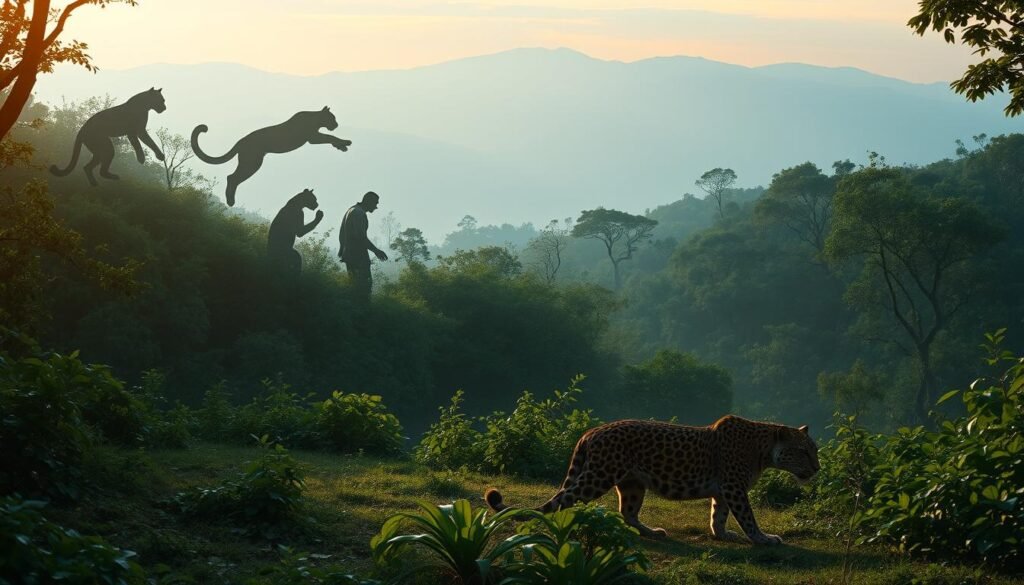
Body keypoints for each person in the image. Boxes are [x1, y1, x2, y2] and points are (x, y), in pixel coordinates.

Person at [339, 191, 388, 298]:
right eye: (375, 203)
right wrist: (376, 250)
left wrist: (342, 249)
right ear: (368, 201)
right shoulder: (359, 213)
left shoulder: (351, 210)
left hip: (350, 255)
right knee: (363, 288)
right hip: (358, 256)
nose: (376, 207)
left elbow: (342, 234)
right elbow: (360, 237)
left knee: (353, 285)